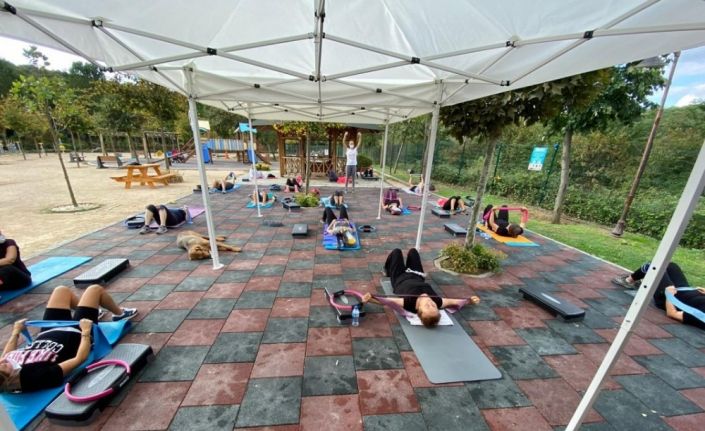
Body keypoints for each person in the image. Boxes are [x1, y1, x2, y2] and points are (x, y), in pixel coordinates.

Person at [0, 285, 137, 393]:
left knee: (61, 290)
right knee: (95, 290)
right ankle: (120, 314)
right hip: (76, 332)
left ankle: (93, 310)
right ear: (9, 380)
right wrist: (86, 332)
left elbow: (6, 355)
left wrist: (16, 332)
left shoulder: (5, 369)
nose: (4, 361)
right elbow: (79, 359)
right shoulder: (37, 376)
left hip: (49, 330)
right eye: (5, 366)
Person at [363, 248, 480, 328]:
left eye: (427, 306)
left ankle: (387, 270)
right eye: (434, 306)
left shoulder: (409, 303)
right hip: (416, 274)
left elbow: (387, 302)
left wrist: (370, 299)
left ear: (418, 309)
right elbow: (455, 302)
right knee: (413, 252)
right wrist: (470, 300)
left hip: (399, 277)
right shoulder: (437, 301)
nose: (431, 303)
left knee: (396, 252)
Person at [613, 262, 705, 329]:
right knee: (670, 265)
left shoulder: (702, 317)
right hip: (683, 290)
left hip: (667, 298)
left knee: (656, 266)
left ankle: (628, 281)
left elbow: (673, 313)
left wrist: (669, 294)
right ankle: (639, 280)